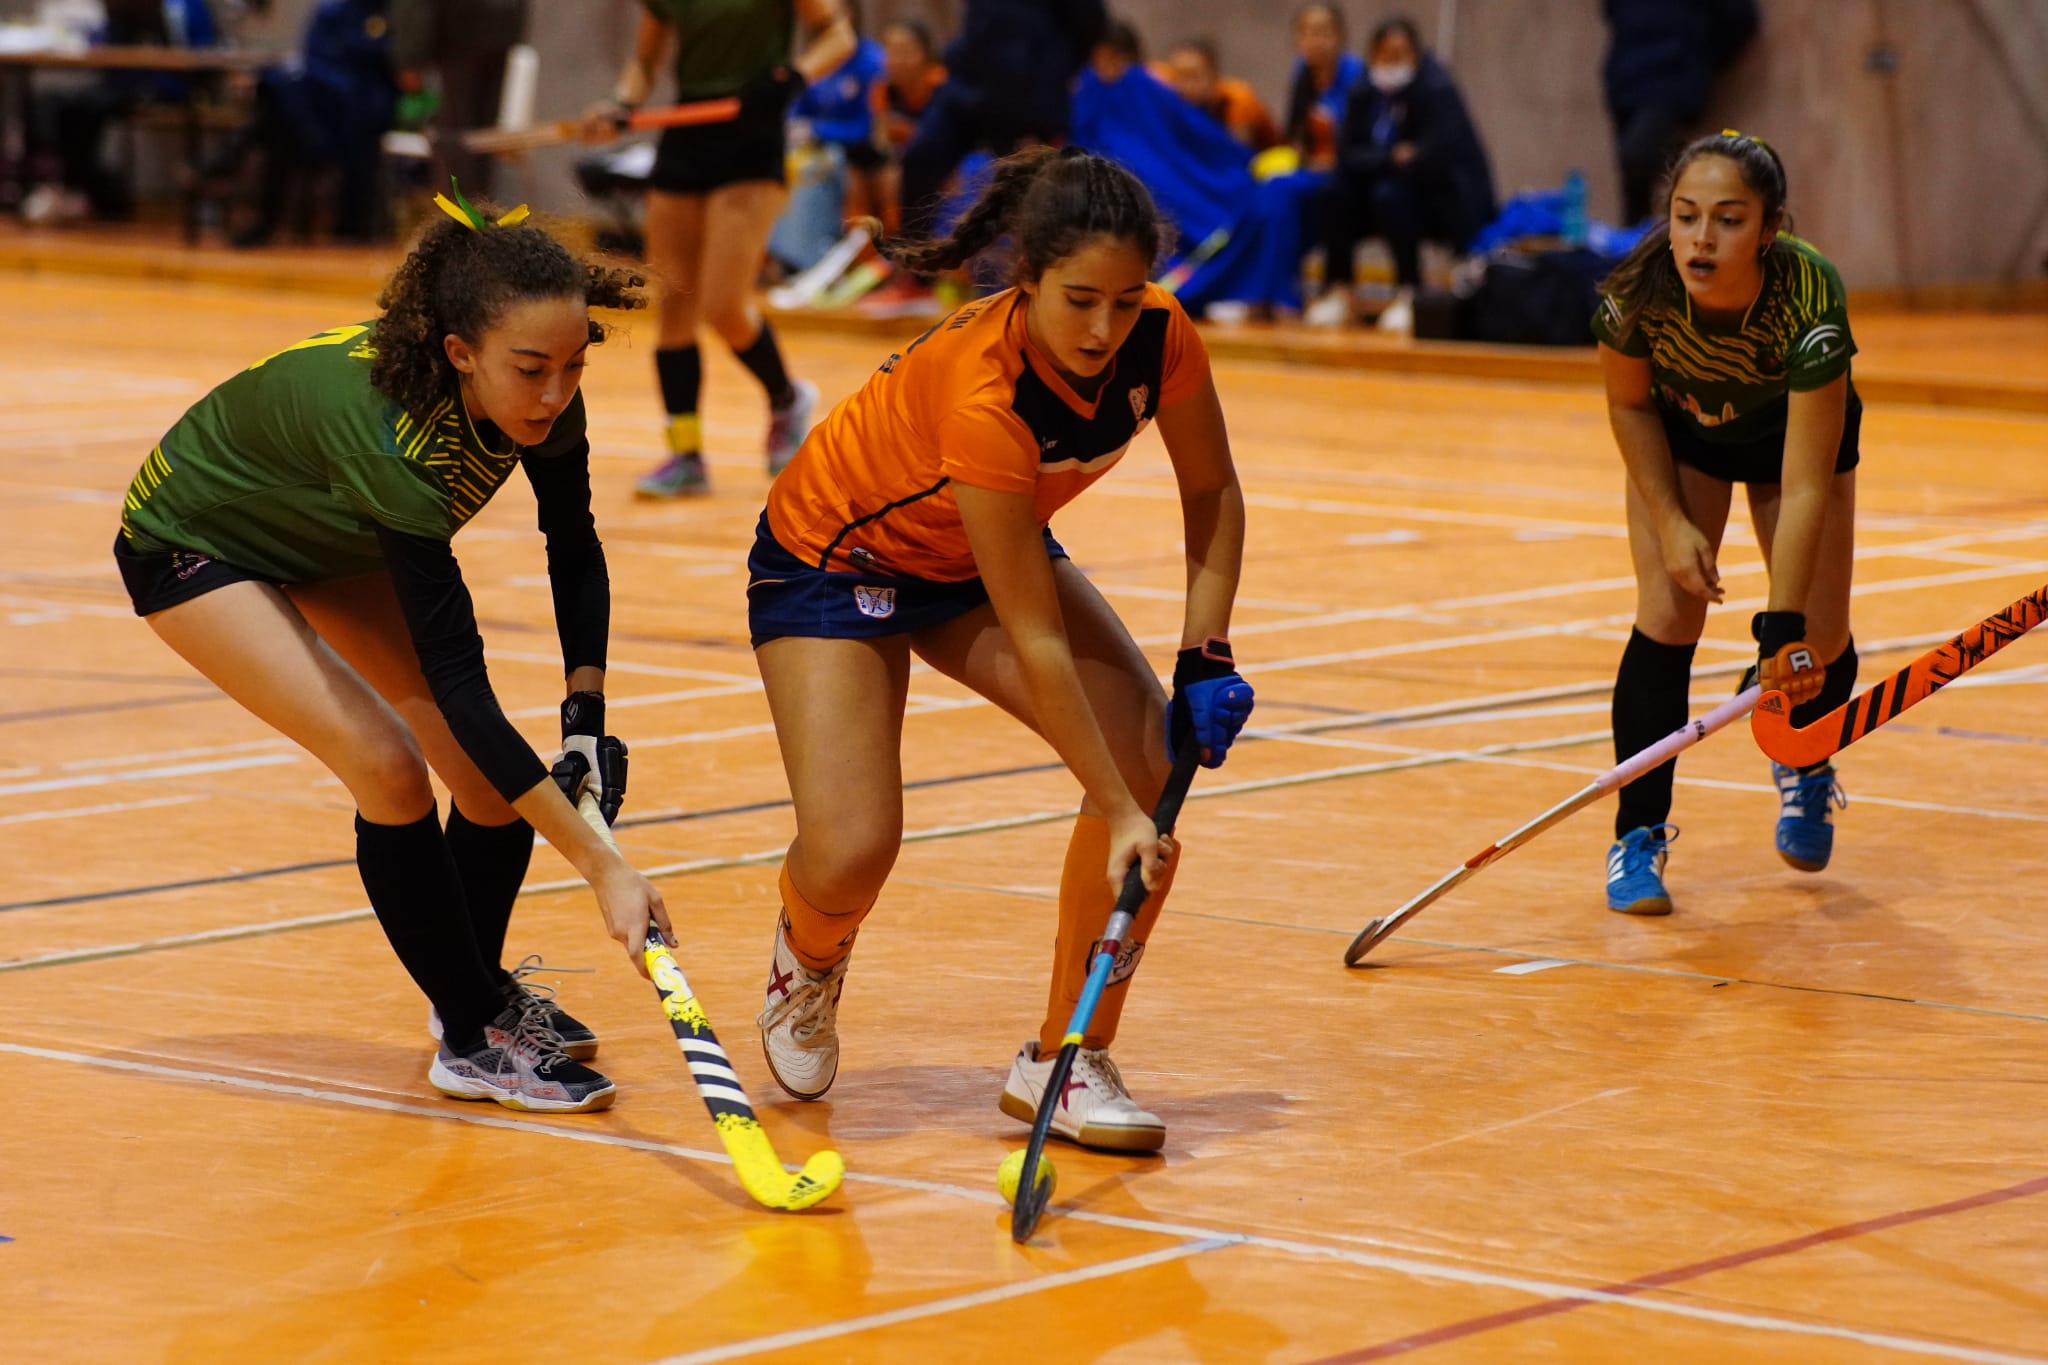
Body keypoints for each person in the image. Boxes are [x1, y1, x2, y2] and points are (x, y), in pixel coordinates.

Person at [114, 190, 674, 1112]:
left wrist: (586, 719)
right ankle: (471, 1031)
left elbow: (573, 547)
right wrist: (602, 864)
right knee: (389, 765)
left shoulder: (544, 390)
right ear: (460, 353)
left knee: (492, 785)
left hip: (328, 532)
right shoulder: (394, 445)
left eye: (574, 367)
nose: (554, 393)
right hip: (196, 541)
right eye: (532, 369)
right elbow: (460, 684)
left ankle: (480, 998)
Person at [744, 147, 1254, 1152]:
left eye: (1123, 298)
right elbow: (1032, 635)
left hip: (985, 550)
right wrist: (1110, 810)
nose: (1103, 329)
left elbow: (1213, 491)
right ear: (1024, 280)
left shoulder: (1161, 335)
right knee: (853, 851)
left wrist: (1205, 652)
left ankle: (1066, 1059)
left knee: (1149, 763)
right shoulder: (983, 393)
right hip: (833, 559)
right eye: (1077, 301)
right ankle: (806, 953)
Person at [1592, 131, 1860, 914]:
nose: (1701, 238)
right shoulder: (1634, 291)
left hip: (1794, 446)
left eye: (1729, 220)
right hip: (1686, 437)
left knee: (1824, 644)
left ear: (1770, 229)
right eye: (1686, 216)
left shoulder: (1810, 295)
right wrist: (1672, 522)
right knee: (1667, 616)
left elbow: (1807, 480)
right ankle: (1636, 837)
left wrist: (1780, 633)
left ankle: (1800, 754)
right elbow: (1627, 404)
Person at [594, 0, 856, 499]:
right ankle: (686, 454)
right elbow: (644, 63)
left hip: (751, 132)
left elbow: (838, 35)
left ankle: (786, 397)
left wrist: (794, 77)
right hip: (686, 130)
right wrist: (622, 104)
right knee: (673, 303)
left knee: (722, 306)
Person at [858, 0, 1107, 316]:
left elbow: (1090, 24)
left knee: (1032, 191)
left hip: (1029, 94)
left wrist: (1049, 71)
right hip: (968, 86)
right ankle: (917, 282)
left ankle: (1043, 289)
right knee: (921, 157)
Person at [1309, 15, 1495, 331]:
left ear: (1415, 56)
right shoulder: (1363, 91)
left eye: (1400, 55)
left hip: (1435, 199)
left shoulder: (1436, 89)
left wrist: (1385, 162)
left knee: (1390, 196)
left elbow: (1432, 157)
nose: (1392, 63)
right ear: (1372, 56)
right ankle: (1339, 290)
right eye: (1385, 55)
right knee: (1335, 193)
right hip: (1380, 188)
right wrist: (1391, 157)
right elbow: (1347, 156)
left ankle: (1410, 291)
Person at [1602, 0, 1759, 224]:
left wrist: (1697, 61)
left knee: (1638, 158)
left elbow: (1739, 21)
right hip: (1626, 87)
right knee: (1635, 196)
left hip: (1670, 85)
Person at [390, 0, 531, 198]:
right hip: (500, 31)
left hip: (457, 33)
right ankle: (479, 213)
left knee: (457, 136)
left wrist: (410, 56)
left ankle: (462, 215)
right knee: (482, 138)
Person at [869, 15, 945, 234]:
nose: (898, 60)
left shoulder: (940, 84)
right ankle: (893, 245)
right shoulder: (882, 89)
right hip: (902, 162)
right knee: (882, 176)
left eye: (906, 51)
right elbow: (880, 140)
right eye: (891, 52)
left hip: (941, 161)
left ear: (925, 53)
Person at [1160, 38, 1278, 152]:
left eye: (1193, 76)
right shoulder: (1177, 102)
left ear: (1214, 75)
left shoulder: (1238, 99)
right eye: (1177, 77)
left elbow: (1237, 154)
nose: (1185, 85)